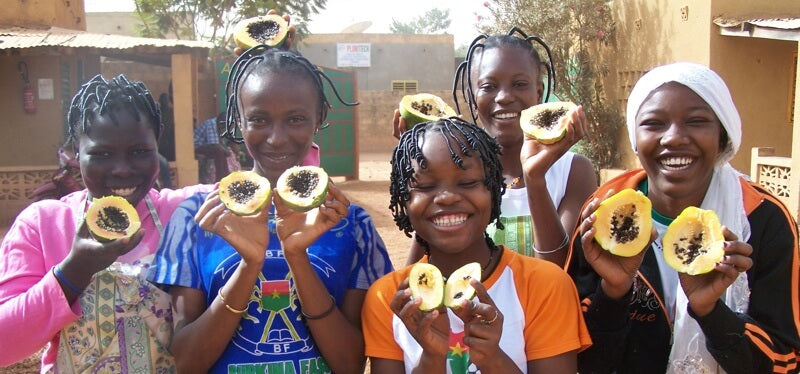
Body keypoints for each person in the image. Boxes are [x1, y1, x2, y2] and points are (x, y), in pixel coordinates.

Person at [147, 45, 393, 373]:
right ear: (238, 119)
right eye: (259, 120)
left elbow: (350, 364)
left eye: (295, 119)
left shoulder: (351, 224)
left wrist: (297, 258)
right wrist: (250, 264)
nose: (276, 139)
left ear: (318, 118)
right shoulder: (199, 217)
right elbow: (188, 362)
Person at [566, 62, 800, 373]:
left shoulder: (762, 220)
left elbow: (784, 362)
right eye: (654, 123)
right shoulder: (602, 214)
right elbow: (575, 359)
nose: (674, 137)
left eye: (697, 121)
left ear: (723, 136)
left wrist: (710, 312)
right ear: (636, 139)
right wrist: (614, 292)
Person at [0, 74, 212, 372]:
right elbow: (4, 345)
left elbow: (260, 191)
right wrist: (73, 271)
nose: (122, 170)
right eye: (101, 154)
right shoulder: (42, 224)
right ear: (75, 152)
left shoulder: (188, 211)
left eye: (139, 152)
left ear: (157, 145)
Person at [363, 118, 591, 373]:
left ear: (494, 190)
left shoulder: (546, 285)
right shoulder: (389, 299)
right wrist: (432, 357)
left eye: (468, 183)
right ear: (404, 201)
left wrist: (493, 358)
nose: (447, 197)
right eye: (425, 186)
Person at [397, 28, 596, 267]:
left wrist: (535, 178)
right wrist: (422, 168)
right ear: (472, 96)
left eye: (520, 84)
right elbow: (416, 271)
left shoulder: (573, 172)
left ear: (539, 92)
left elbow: (561, 271)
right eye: (489, 86)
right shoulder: (454, 173)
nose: (503, 97)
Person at [195, 112, 231, 183]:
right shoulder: (211, 124)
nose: (224, 128)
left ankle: (225, 177)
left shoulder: (218, 125)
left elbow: (220, 143)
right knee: (219, 151)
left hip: (207, 147)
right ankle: (220, 179)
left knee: (222, 152)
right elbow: (214, 144)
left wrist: (227, 151)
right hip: (196, 148)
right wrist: (226, 151)